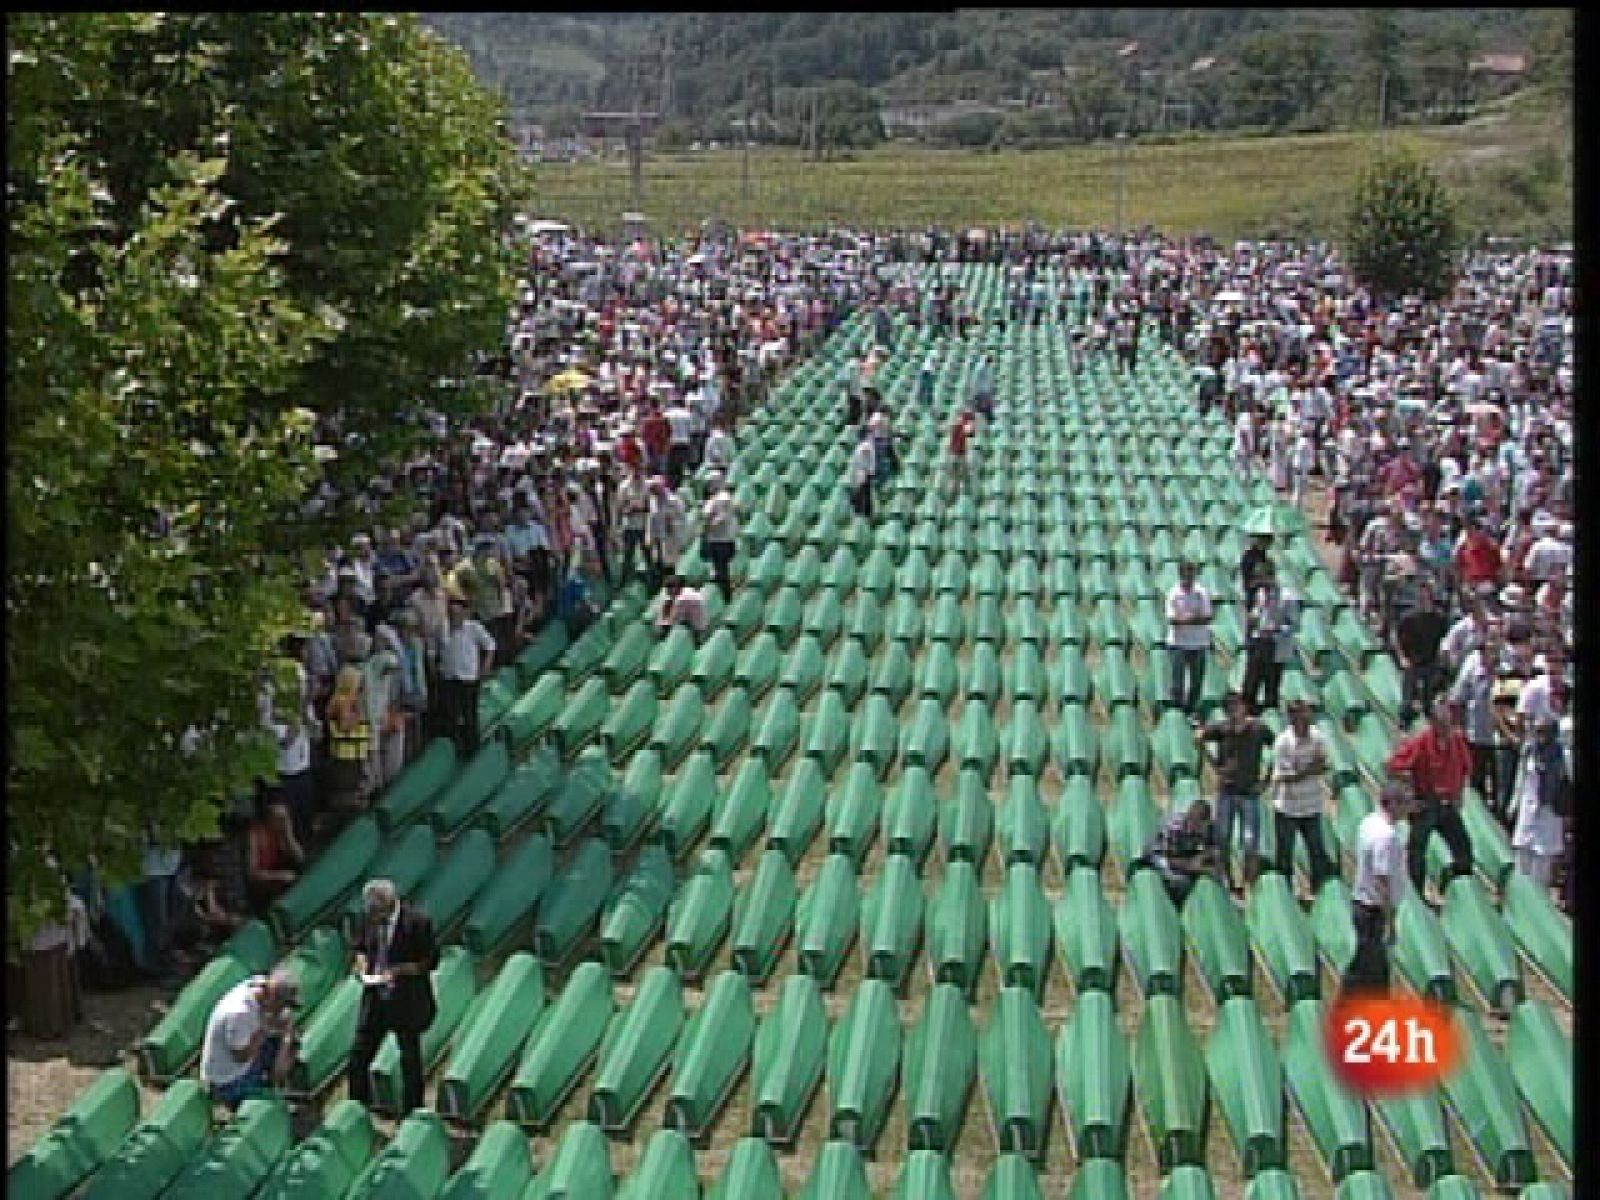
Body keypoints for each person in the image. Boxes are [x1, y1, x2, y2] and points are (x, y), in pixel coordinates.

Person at [345, 880, 439, 1116]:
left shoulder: (417, 923)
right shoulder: (368, 919)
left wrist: (399, 971)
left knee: (410, 1059)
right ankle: (357, 1108)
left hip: (406, 1000)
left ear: (389, 905)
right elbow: (361, 947)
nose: (373, 917)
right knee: (358, 1056)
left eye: (377, 913)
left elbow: (430, 961)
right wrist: (362, 964)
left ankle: (412, 1111)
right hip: (376, 998)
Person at [1387, 698, 1474, 899]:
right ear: (1433, 723)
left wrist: (1458, 794)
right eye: (1442, 725)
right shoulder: (1421, 742)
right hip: (1427, 802)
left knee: (1463, 848)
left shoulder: (1457, 741)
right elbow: (1394, 766)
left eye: (1448, 724)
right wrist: (1410, 795)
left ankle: (1455, 884)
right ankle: (1415, 894)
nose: (1446, 729)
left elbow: (1465, 768)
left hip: (1448, 803)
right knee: (1417, 851)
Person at [1341, 782, 1412, 997]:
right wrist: (1391, 918)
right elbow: (1383, 880)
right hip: (1374, 909)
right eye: (1404, 803)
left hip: (1362, 903)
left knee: (1365, 962)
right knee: (1374, 968)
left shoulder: (1368, 822)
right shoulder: (1386, 837)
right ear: (1392, 804)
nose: (1408, 808)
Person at [1200, 691, 1274, 892]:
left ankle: (1249, 885)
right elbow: (1199, 737)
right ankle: (1229, 881)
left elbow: (1278, 749)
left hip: (1249, 792)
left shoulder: (1258, 729)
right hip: (1227, 791)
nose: (1234, 712)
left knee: (1250, 841)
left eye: (1236, 707)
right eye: (1229, 708)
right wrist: (1215, 765)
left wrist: (1267, 780)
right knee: (1222, 837)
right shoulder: (1222, 730)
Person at [200, 968, 300, 1112]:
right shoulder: (240, 1013)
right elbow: (241, 1056)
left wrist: (285, 1036)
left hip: (239, 1061)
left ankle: (276, 1086)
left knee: (289, 1044)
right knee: (282, 1047)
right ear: (273, 998)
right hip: (226, 1080)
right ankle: (268, 1097)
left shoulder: (258, 986)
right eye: (282, 1005)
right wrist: (269, 1030)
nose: (283, 1010)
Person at [1268, 699, 1335, 895]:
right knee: (1285, 854)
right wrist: (1309, 770)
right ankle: (1285, 893)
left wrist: (1306, 771)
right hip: (1287, 807)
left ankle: (1319, 890)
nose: (1305, 718)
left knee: (1316, 850)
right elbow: (1285, 777)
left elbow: (1324, 764)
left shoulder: (1317, 737)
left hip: (1311, 805)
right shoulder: (1283, 742)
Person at [1510, 715, 1569, 888]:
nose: (1540, 735)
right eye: (1537, 731)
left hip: (1549, 810)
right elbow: (1521, 778)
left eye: (1544, 731)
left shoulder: (1562, 755)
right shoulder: (1529, 750)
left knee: (1542, 860)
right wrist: (1514, 803)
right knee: (1523, 853)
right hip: (1528, 808)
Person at [436, 594, 496, 757]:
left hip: (468, 677)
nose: (455, 615)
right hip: (449, 678)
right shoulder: (442, 629)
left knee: (469, 715)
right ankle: (455, 750)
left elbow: (490, 645)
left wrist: (485, 668)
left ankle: (472, 749)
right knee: (451, 716)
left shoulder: (473, 628)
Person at [1141, 798, 1220, 909]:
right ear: (1189, 817)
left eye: (1200, 824)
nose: (1195, 826)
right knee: (1179, 881)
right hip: (1159, 857)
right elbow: (1170, 860)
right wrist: (1195, 866)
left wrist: (1206, 858)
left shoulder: (1209, 828)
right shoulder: (1174, 827)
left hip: (1184, 854)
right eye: (1193, 821)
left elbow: (1214, 851)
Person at [1241, 561, 1298, 714]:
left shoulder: (1287, 597)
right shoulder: (1260, 594)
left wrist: (1276, 630)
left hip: (1275, 645)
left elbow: (1293, 624)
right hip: (1259, 641)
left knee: (1271, 685)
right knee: (1250, 682)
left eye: (1262, 578)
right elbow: (1258, 614)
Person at [1391, 580, 1449, 728]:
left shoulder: (1439, 618)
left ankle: (1428, 719)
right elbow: (1396, 636)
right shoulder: (1409, 617)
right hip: (1413, 661)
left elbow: (1444, 638)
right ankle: (1404, 717)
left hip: (1430, 660)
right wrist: (1402, 657)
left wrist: (1442, 657)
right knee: (1408, 693)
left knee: (1429, 695)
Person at [1164, 559, 1213, 717]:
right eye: (1185, 574)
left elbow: (1207, 617)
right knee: (1177, 681)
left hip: (1199, 643)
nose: (1188, 577)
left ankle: (1192, 710)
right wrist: (1194, 618)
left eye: (1191, 573)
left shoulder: (1201, 592)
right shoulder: (1173, 593)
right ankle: (1178, 710)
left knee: (1196, 681)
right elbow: (1173, 620)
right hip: (1178, 643)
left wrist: (1185, 618)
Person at [244, 794, 306, 915]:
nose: (283, 822)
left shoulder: (283, 834)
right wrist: (279, 876)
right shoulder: (254, 835)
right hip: (261, 887)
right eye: (279, 819)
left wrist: (288, 834)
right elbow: (252, 874)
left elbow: (300, 858)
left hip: (280, 882)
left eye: (285, 818)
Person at [700, 471, 739, 600]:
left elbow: (722, 517)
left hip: (722, 539)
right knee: (718, 569)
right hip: (714, 538)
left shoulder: (723, 498)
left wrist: (708, 526)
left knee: (722, 570)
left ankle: (726, 596)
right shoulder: (713, 498)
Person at [848, 425, 876, 520]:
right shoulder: (866, 445)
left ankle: (863, 512)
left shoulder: (864, 445)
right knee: (863, 493)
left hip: (863, 472)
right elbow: (865, 460)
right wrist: (867, 471)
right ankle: (863, 512)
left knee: (864, 493)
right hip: (863, 472)